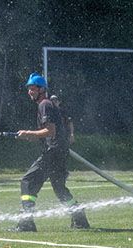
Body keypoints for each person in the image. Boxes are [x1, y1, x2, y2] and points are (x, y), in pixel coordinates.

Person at [15, 73, 89, 232]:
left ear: (41, 89)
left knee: (27, 182)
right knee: (59, 188)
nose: (29, 92)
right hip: (60, 151)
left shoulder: (45, 104)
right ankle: (79, 218)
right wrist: (31, 136)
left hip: (53, 151)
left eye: (33, 88)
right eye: (29, 89)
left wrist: (28, 133)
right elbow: (49, 132)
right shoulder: (47, 104)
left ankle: (27, 222)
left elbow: (50, 131)